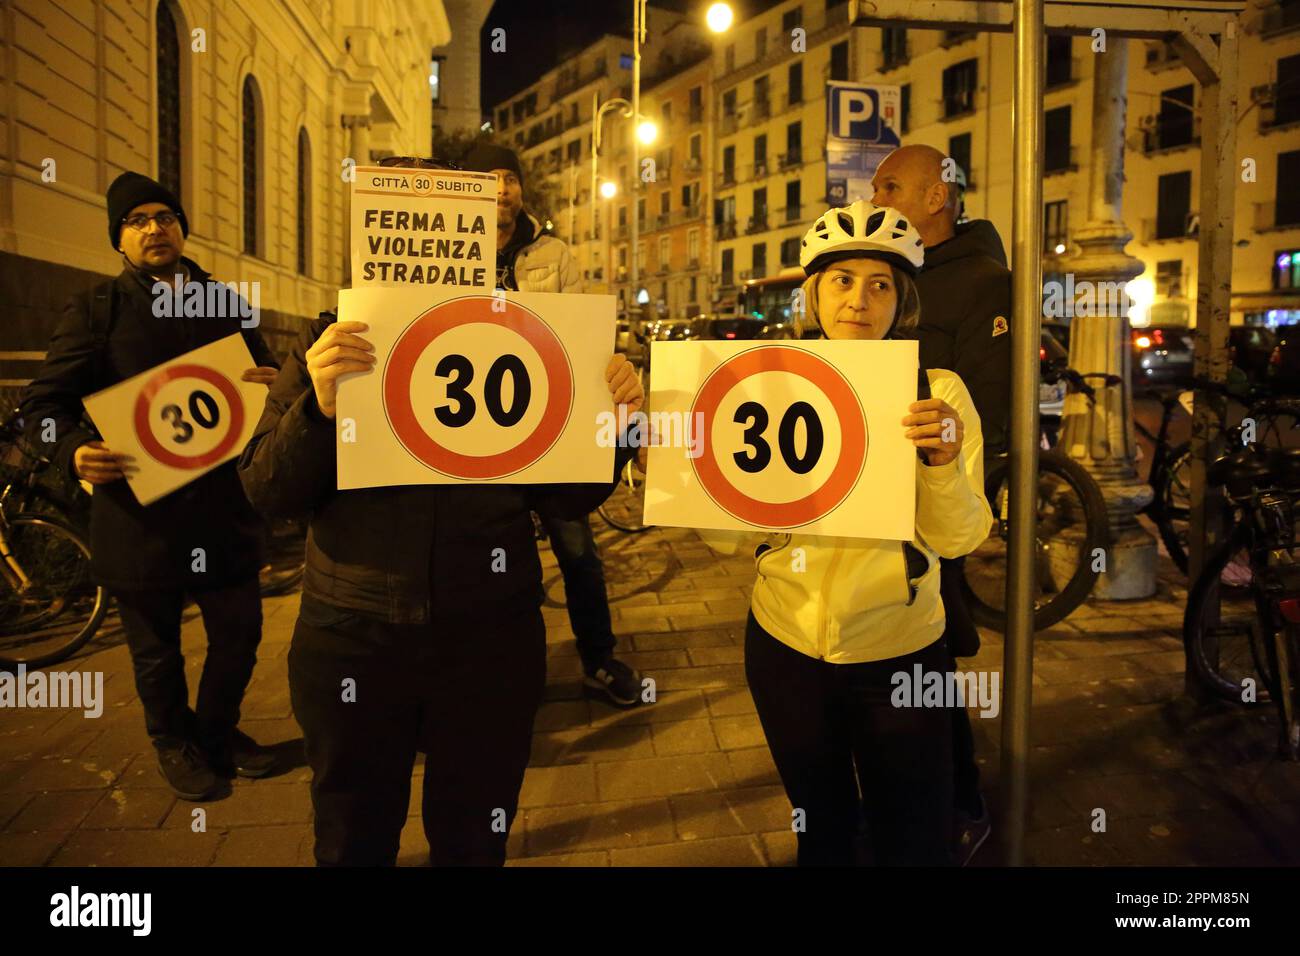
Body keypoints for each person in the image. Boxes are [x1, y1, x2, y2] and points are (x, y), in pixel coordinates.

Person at [237, 155, 644, 866]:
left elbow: (570, 500)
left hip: (489, 636)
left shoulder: (518, 345)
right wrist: (320, 409)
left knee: (474, 839)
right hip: (351, 636)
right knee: (351, 838)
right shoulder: (329, 346)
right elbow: (266, 492)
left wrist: (616, 426)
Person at [704, 200, 992, 865]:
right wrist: (678, 462)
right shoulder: (768, 386)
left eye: (880, 284)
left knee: (915, 838)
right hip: (785, 647)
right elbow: (724, 539)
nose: (859, 299)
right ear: (814, 293)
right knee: (821, 831)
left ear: (902, 301)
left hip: (902, 650)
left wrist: (943, 464)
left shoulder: (938, 391)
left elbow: (958, 539)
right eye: (841, 280)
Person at [20, 171, 280, 801]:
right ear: (119, 241)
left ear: (182, 228)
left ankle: (217, 732)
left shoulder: (225, 302)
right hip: (139, 515)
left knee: (240, 632)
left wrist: (272, 387)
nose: (153, 229)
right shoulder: (94, 312)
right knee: (156, 651)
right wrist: (75, 449)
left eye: (163, 216)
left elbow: (264, 372)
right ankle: (173, 742)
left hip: (222, 509)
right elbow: (40, 408)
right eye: (136, 221)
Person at [463, 142, 644, 709]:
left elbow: (579, 329)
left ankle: (598, 660)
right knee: (486, 562)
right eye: (491, 179)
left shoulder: (555, 252)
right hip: (479, 431)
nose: (503, 189)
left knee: (578, 550)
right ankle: (501, 676)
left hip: (548, 429)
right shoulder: (451, 248)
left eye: (510, 178)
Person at [872, 144, 1013, 863]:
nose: (875, 198)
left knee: (930, 659)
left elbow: (992, 412)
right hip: (866, 500)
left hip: (931, 503)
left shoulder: (984, 283)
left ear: (938, 197)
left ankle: (960, 799)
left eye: (890, 186)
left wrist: (956, 493)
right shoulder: (885, 278)